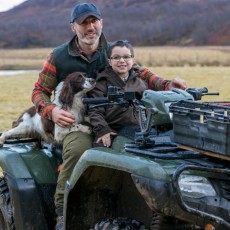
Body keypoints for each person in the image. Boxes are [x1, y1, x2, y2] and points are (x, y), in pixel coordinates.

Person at [31, 2, 187, 230]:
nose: (90, 27)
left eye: (94, 21)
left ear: (101, 23)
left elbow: (140, 72)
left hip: (114, 118)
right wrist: (51, 111)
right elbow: (39, 92)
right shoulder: (58, 56)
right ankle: (62, 211)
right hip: (77, 122)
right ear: (73, 26)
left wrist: (166, 85)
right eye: (84, 22)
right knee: (76, 151)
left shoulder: (112, 50)